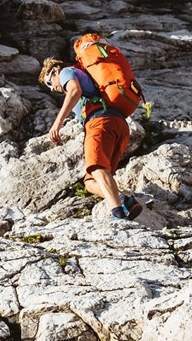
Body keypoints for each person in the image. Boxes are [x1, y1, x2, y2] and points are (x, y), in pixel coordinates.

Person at [41, 57, 143, 220]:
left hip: (101, 122)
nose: (52, 88)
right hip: (118, 125)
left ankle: (118, 213)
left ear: (54, 71)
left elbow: (75, 91)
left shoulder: (67, 72)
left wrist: (57, 123)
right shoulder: (84, 78)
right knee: (91, 181)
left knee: (97, 168)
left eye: (49, 83)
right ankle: (127, 201)